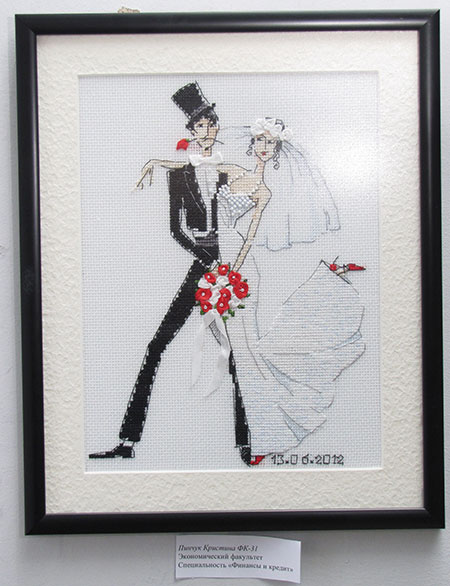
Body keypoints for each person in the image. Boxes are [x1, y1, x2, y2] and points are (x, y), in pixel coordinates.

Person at [89, 82, 250, 463]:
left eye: (211, 123)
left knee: (237, 352)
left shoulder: (228, 171)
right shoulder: (178, 175)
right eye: (200, 125)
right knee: (157, 344)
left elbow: (251, 204)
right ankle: (128, 441)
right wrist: (203, 259)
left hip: (227, 265)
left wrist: (227, 262)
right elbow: (175, 230)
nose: (207, 130)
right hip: (202, 263)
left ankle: (248, 441)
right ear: (190, 131)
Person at [199, 117, 366, 464]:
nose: (264, 147)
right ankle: (258, 433)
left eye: (270, 143)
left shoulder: (264, 190)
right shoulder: (230, 170)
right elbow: (190, 167)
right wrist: (155, 162)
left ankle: (263, 437)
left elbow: (249, 238)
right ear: (252, 144)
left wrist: (229, 272)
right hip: (219, 260)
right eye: (260, 141)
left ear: (277, 150)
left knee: (245, 353)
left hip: (238, 268)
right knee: (242, 353)